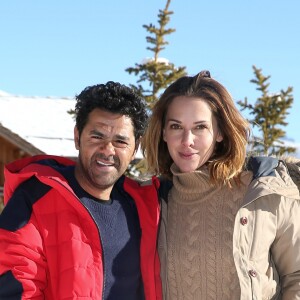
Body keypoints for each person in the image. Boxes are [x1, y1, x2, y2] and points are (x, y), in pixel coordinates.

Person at [141, 70, 300, 299]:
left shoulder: (265, 191)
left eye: (200, 127)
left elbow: (296, 275)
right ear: (163, 132)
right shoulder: (153, 202)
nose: (187, 141)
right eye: (176, 126)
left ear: (220, 132)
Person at [0, 81, 162, 300]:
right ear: (77, 137)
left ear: (135, 148)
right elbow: (15, 285)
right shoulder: (35, 199)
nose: (108, 150)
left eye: (120, 141)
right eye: (97, 137)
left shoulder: (144, 209)